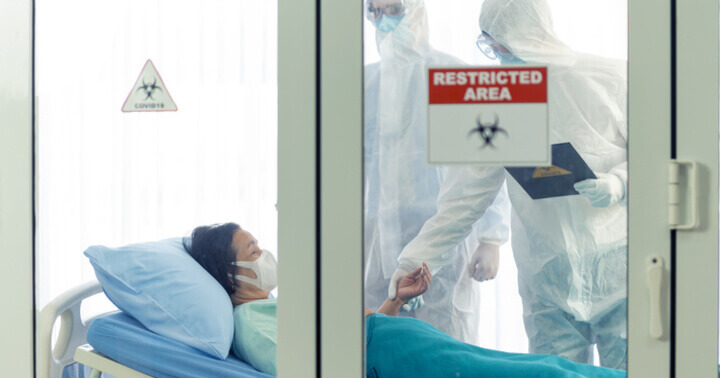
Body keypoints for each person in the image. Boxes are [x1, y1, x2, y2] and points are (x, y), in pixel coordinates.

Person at [391, 0, 629, 369]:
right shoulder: (499, 100)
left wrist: (621, 183)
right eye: (492, 47)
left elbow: (666, 157)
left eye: (504, 47)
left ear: (532, 34)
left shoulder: (612, 79)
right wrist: (412, 261)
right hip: (547, 286)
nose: (500, 59)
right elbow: (462, 202)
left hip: (621, 278)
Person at [185, 222, 625, 377]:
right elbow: (310, 369)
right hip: (389, 351)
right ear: (230, 273)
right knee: (545, 375)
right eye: (253, 252)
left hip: (393, 338)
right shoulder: (248, 322)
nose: (264, 255)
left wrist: (394, 303)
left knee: (546, 369)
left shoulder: (270, 306)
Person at [364, 0, 511, 345]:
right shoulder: (363, 85)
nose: (384, 21)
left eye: (394, 9)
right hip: (373, 243)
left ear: (416, 9)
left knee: (445, 348)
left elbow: (487, 162)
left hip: (445, 242)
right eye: (375, 11)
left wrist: (492, 238)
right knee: (377, 347)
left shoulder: (452, 76)